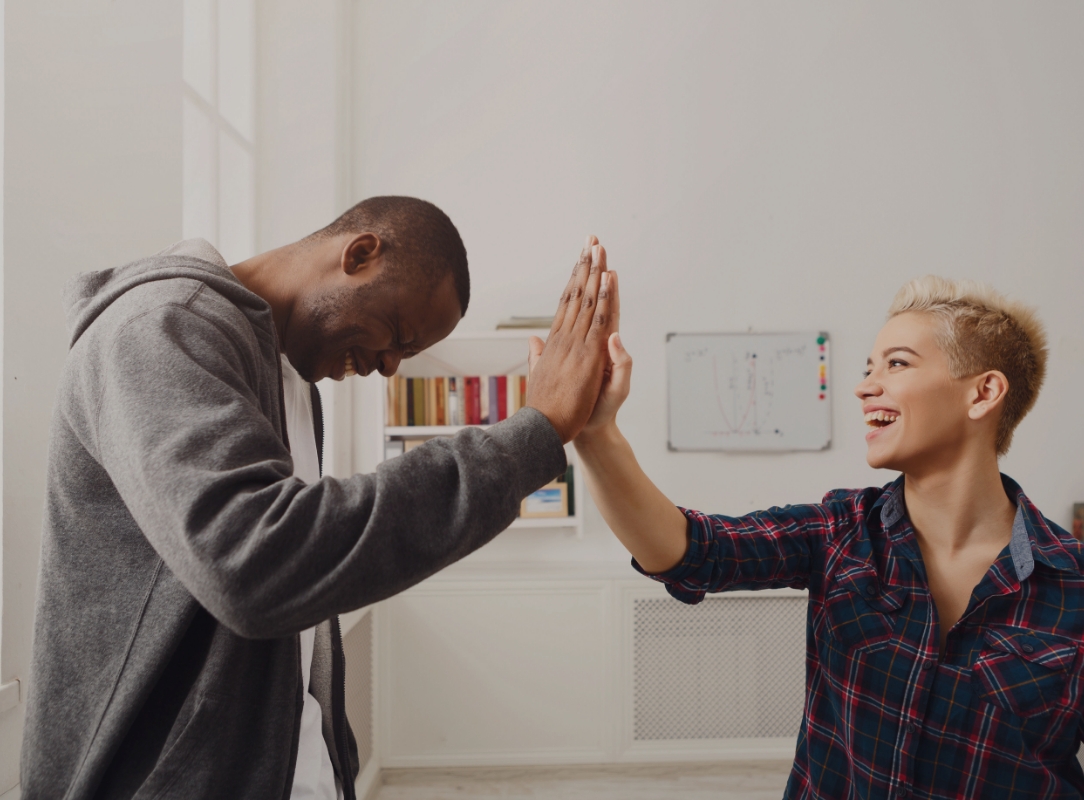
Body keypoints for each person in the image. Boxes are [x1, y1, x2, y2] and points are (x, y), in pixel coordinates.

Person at [23, 196, 617, 800]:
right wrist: (527, 438)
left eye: (405, 357)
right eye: (397, 334)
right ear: (358, 254)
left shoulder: (291, 383)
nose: (388, 368)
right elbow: (253, 562)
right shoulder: (161, 328)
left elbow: (301, 599)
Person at [565, 275, 1083, 798]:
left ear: (984, 392)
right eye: (867, 369)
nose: (863, 386)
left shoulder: (1074, 584)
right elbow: (691, 550)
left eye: (896, 363)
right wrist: (595, 432)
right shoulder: (840, 531)